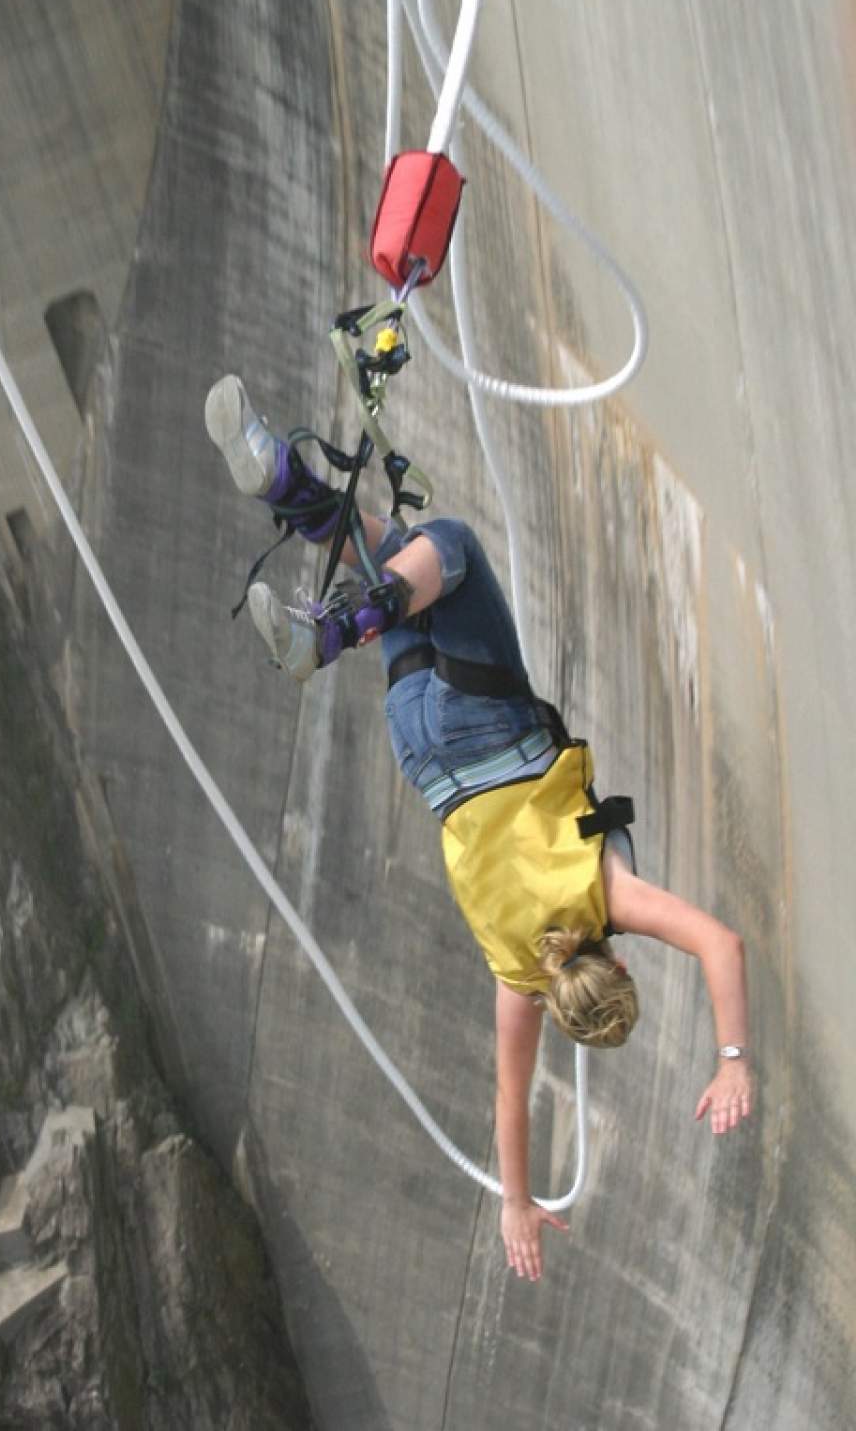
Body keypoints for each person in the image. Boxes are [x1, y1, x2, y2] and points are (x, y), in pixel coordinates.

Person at [205, 374, 754, 1282]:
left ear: (614, 964)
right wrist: (515, 1201)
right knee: (401, 566)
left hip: (487, 724)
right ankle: (289, 491)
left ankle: (328, 624)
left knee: (446, 547)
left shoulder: (606, 896)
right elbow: (511, 1097)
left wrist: (733, 1061)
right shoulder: (516, 971)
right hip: (423, 753)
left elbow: (721, 944)